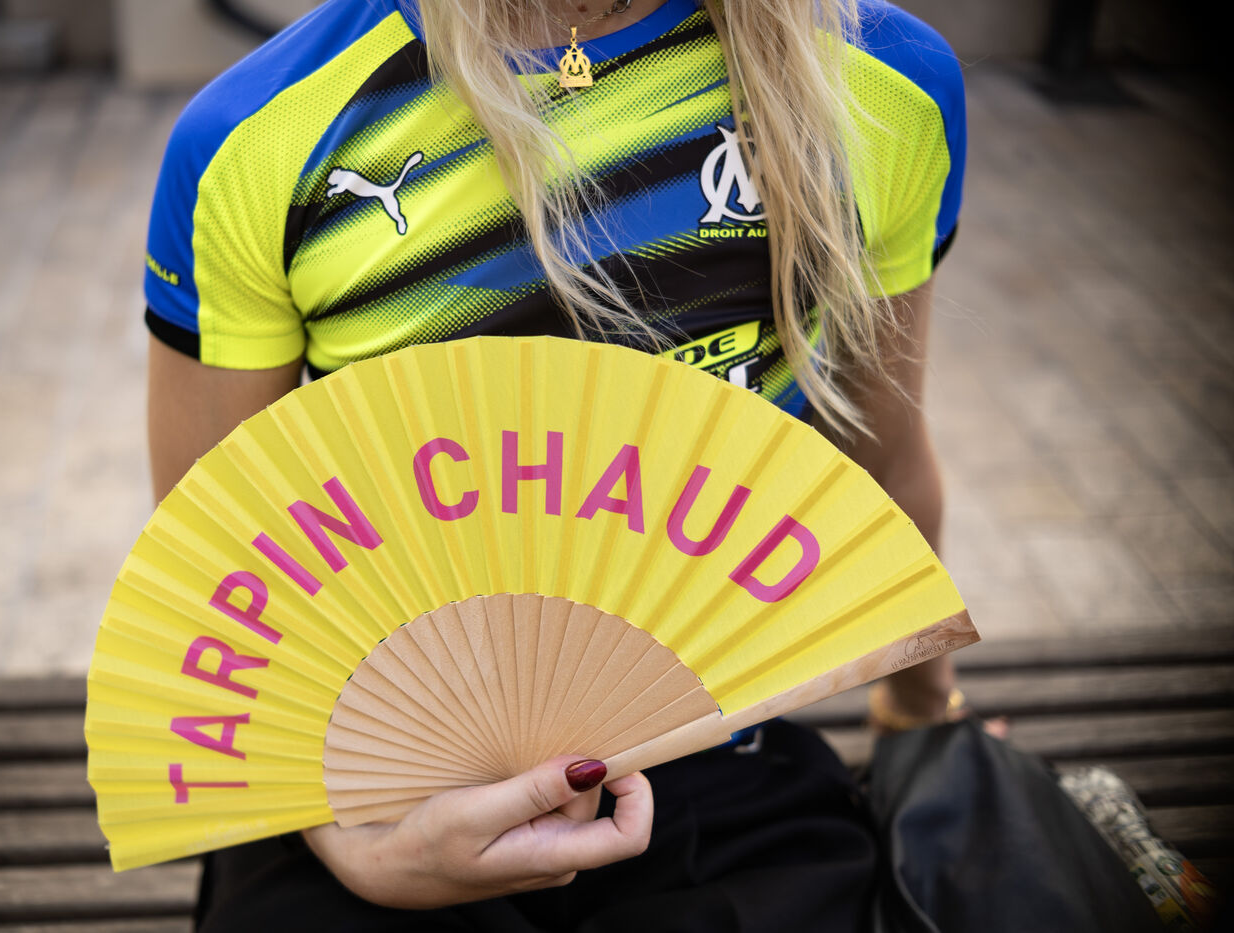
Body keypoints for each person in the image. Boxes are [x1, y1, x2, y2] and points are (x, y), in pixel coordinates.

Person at [142, 1, 968, 928]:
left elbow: (879, 464)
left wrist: (922, 717)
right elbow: (222, 570)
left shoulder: (881, 84)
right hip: (375, 776)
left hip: (720, 783)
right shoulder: (259, 137)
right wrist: (355, 847)